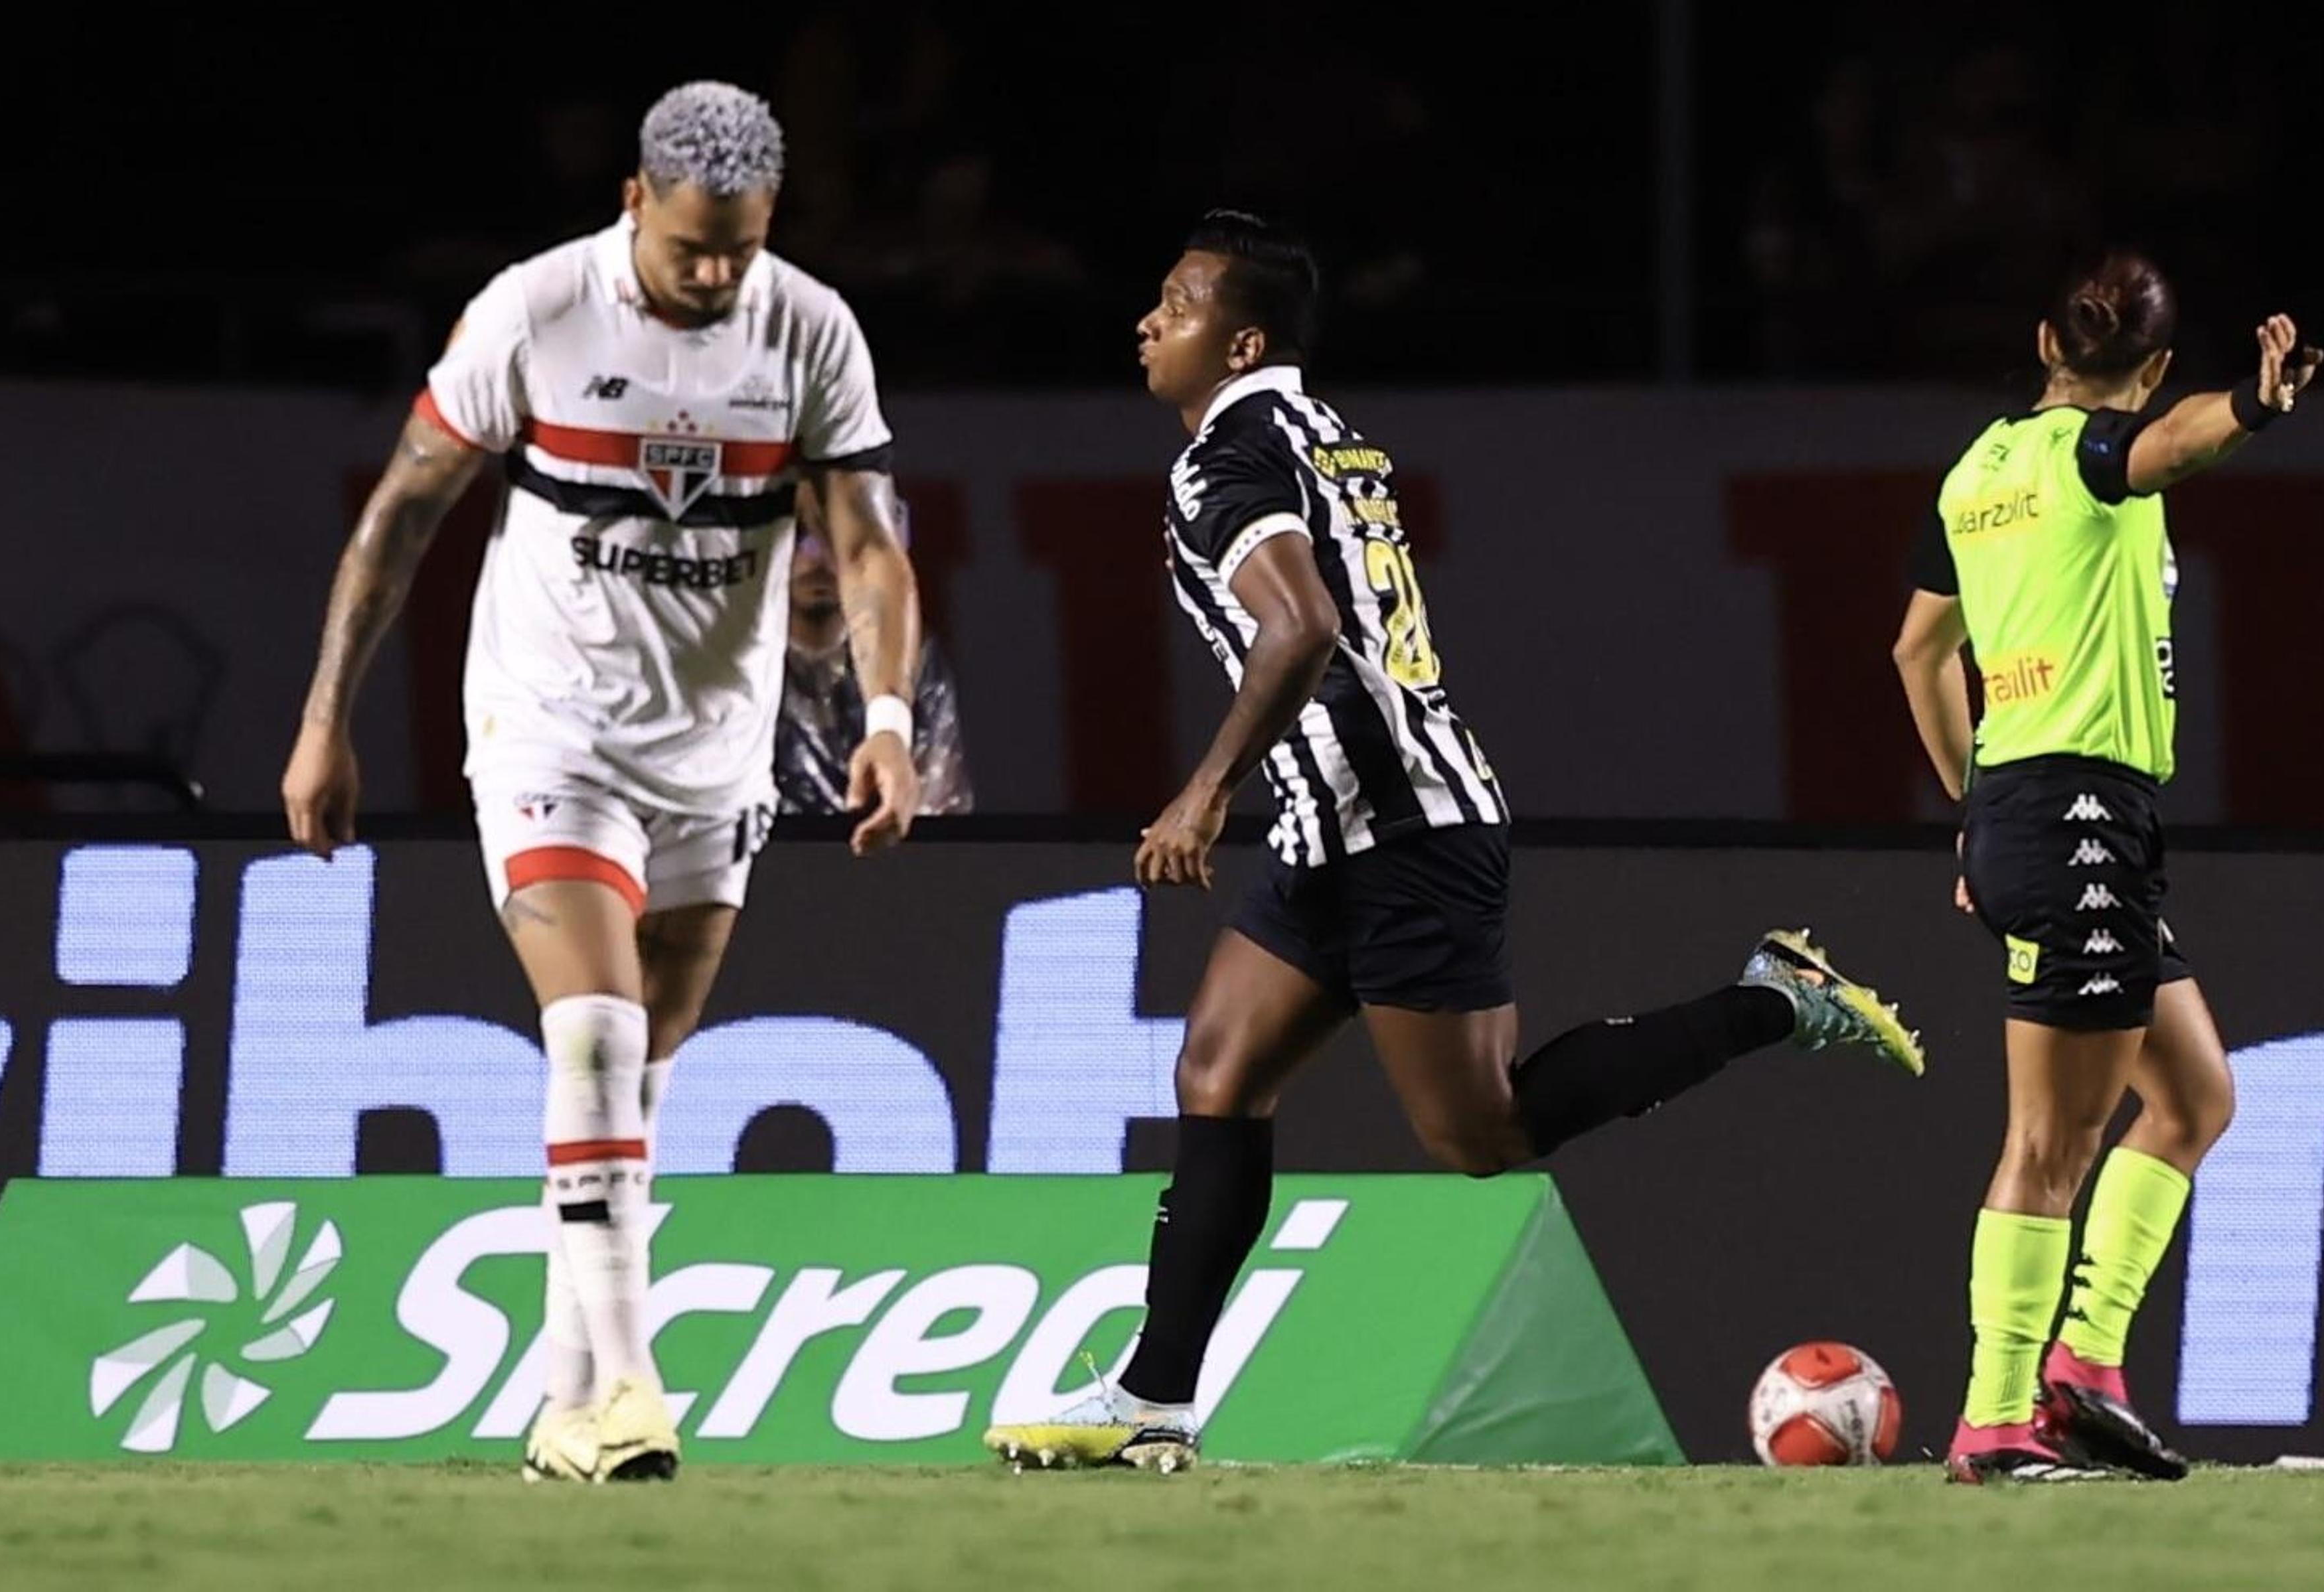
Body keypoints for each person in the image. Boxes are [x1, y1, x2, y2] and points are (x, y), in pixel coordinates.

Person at [982, 211, 1927, 1473]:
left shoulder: (1226, 458)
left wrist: (1206, 790)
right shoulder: (1325, 433)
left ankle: (1769, 1001)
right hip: (1341, 824)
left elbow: (1303, 626)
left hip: (1403, 834)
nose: (1150, 320)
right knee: (1216, 1071)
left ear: (1241, 337)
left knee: (1481, 1138)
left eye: (1178, 302)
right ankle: (1154, 1396)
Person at [280, 82, 924, 1484]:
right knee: (594, 1034)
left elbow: (868, 543)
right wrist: (326, 714)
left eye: (741, 249)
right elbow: (402, 511)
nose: (715, 275)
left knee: (644, 1080)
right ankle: (631, 1383)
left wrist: (883, 712)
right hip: (547, 729)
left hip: (716, 752)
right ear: (636, 200)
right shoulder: (536, 310)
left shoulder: (810, 328)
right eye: (693, 246)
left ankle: (563, 1403)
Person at [1891, 252, 2322, 1484]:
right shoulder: (2098, 454)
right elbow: (2168, 450)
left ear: (2042, 342)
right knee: (2048, 1145)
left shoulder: (1976, 470)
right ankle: (1992, 1415)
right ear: (2156, 370)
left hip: (2049, 813)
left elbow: (1919, 649)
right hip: (2076, 814)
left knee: (2195, 1100)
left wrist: (1975, 807)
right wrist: (2251, 407)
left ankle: (2081, 1369)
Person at [777, 482, 973, 816]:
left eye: (834, 538)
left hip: (876, 856)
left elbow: (938, 817)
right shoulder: (735, 657)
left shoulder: (913, 660)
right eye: (799, 535)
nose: (818, 559)